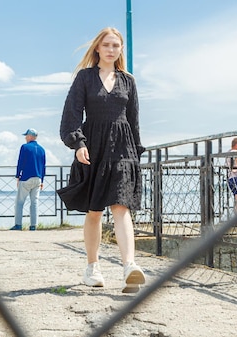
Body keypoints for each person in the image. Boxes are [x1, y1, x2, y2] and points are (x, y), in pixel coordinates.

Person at [57, 27, 146, 293]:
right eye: (106, 45)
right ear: (98, 48)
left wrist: (135, 154)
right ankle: (92, 267)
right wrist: (78, 144)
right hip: (93, 147)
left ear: (120, 50)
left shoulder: (128, 81)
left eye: (116, 46)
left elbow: (134, 119)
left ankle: (129, 266)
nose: (111, 49)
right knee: (95, 211)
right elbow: (71, 115)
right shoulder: (84, 78)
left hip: (123, 148)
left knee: (121, 207)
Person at [10, 128, 46, 231]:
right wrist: (42, 180)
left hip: (26, 178)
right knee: (34, 202)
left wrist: (18, 176)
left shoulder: (25, 147)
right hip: (38, 178)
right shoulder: (42, 149)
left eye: (26, 135)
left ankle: (18, 225)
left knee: (19, 202)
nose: (25, 137)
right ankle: (33, 226)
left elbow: (20, 162)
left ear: (30, 136)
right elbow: (43, 166)